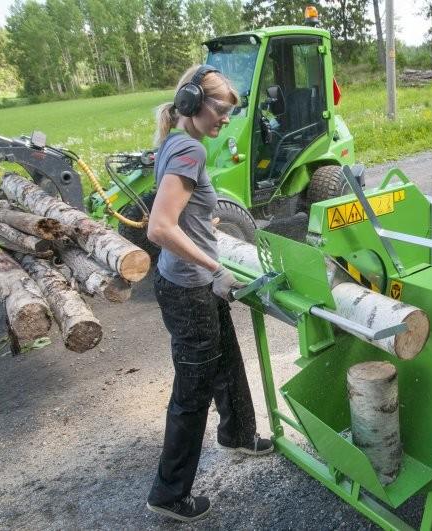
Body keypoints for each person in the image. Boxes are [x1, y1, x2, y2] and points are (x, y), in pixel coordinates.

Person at [145, 64, 273, 523]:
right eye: (220, 110)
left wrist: (205, 226)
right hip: (188, 288)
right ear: (192, 103)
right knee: (192, 389)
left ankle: (238, 433)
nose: (225, 120)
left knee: (226, 358)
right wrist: (216, 267)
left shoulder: (177, 143)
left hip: (189, 281)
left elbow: (180, 214)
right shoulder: (188, 152)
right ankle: (168, 493)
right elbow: (160, 227)